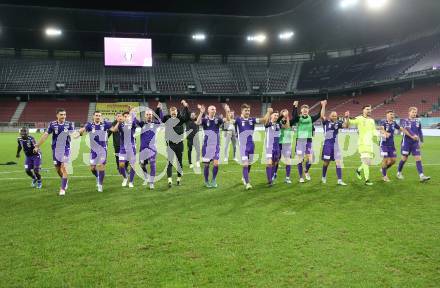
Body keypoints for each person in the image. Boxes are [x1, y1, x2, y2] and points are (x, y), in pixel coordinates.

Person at [229, 104, 271, 190]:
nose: (247, 112)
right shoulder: (238, 120)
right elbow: (230, 121)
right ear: (242, 111)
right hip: (242, 146)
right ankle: (247, 183)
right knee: (245, 164)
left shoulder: (252, 119)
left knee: (249, 163)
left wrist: (268, 112)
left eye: (248, 110)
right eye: (246, 110)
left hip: (251, 145)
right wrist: (227, 111)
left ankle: (244, 177)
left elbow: (263, 120)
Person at [75, 111, 118, 192]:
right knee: (92, 168)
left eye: (99, 115)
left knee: (101, 166)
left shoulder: (105, 124)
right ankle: (98, 176)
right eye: (96, 115)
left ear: (101, 117)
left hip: (103, 149)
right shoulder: (89, 125)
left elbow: (114, 130)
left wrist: (118, 122)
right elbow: (82, 131)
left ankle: (100, 185)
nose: (98, 117)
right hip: (93, 150)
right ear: (93, 117)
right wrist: (77, 134)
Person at [34, 108, 74, 196]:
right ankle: (65, 180)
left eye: (64, 114)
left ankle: (62, 189)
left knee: (64, 168)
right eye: (61, 114)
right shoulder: (52, 124)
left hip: (65, 149)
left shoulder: (69, 124)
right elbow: (45, 135)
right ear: (57, 115)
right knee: (58, 169)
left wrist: (77, 134)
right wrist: (37, 146)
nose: (63, 116)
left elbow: (73, 135)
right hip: (56, 150)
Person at [291, 100, 327, 183]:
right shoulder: (298, 118)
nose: (305, 111)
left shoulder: (311, 118)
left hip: (308, 141)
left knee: (311, 159)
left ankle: (306, 171)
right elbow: (294, 116)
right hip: (300, 141)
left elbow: (319, 115)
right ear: (301, 111)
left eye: (306, 109)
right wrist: (295, 106)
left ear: (308, 111)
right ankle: (301, 177)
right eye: (303, 109)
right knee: (299, 160)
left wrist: (322, 106)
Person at [196, 104, 230, 188]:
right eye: (212, 109)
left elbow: (228, 121)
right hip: (207, 146)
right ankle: (206, 181)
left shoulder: (218, 119)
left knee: (216, 164)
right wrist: (201, 113)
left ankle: (214, 179)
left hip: (215, 146)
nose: (214, 110)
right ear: (208, 110)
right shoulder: (204, 120)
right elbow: (197, 122)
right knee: (206, 165)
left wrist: (226, 111)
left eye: (214, 109)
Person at [158, 100, 190, 187]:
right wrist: (159, 109)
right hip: (170, 144)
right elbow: (160, 119)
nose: (173, 114)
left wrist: (186, 107)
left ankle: (179, 179)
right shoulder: (166, 118)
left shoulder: (180, 119)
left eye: (175, 112)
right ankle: (169, 180)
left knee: (179, 162)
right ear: (170, 113)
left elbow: (187, 117)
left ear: (177, 112)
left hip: (179, 144)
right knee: (170, 162)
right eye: (172, 112)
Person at [397, 107, 431, 182]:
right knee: (404, 159)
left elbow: (420, 131)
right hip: (406, 143)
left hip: (415, 143)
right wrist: (413, 135)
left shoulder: (418, 121)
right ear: (409, 112)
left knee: (418, 158)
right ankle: (399, 172)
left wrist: (422, 141)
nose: (414, 114)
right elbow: (407, 129)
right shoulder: (405, 120)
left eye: (415, 112)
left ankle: (421, 176)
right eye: (413, 112)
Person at [379, 110, 413, 182]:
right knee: (385, 160)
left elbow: (401, 129)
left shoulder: (394, 123)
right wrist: (385, 133)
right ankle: (384, 176)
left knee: (393, 161)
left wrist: (410, 135)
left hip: (391, 145)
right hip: (384, 144)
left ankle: (383, 169)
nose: (392, 116)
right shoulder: (383, 122)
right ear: (387, 115)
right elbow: (381, 129)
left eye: (393, 114)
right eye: (391, 114)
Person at [346, 105, 377, 186]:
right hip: (362, 143)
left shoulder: (372, 120)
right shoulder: (359, 118)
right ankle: (367, 180)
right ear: (363, 110)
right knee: (366, 162)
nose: (369, 110)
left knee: (368, 162)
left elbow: (374, 131)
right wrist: (347, 117)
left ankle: (358, 170)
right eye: (367, 109)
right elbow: (350, 122)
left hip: (370, 144)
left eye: (370, 109)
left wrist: (382, 135)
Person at [138, 103, 162, 190]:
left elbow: (160, 120)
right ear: (145, 116)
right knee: (142, 165)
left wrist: (159, 109)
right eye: (147, 114)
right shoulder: (142, 124)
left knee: (153, 164)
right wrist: (132, 113)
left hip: (152, 148)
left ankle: (151, 182)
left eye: (150, 114)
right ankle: (146, 176)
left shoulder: (155, 124)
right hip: (143, 149)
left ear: (152, 116)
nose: (149, 116)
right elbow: (134, 122)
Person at [321, 111, 349, 186]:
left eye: (335, 116)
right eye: (333, 116)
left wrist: (346, 118)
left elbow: (346, 126)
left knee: (338, 162)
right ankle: (323, 176)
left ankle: (339, 180)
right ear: (329, 116)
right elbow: (322, 115)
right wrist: (323, 105)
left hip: (336, 146)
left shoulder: (338, 123)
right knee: (326, 162)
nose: (334, 117)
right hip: (327, 145)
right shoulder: (326, 122)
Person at [117, 109, 139, 188]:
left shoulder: (132, 123)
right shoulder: (120, 125)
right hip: (123, 148)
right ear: (123, 117)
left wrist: (132, 114)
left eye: (127, 116)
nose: (126, 117)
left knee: (133, 165)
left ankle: (131, 181)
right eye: (124, 116)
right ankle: (125, 177)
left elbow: (134, 121)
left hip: (131, 147)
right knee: (121, 165)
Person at [264, 110, 281, 186]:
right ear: (271, 116)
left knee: (274, 163)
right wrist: (269, 113)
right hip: (269, 147)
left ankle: (271, 177)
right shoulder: (268, 123)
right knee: (269, 163)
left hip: (276, 147)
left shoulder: (278, 124)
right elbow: (266, 125)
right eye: (275, 115)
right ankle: (269, 180)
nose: (276, 117)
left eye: (277, 116)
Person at [277, 109, 294, 184]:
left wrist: (287, 118)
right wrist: (284, 117)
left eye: (287, 113)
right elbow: (285, 126)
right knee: (276, 160)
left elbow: (288, 126)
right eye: (284, 113)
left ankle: (287, 178)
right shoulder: (278, 122)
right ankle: (274, 174)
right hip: (279, 143)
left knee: (288, 161)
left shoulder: (290, 121)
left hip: (287, 143)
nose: (286, 115)